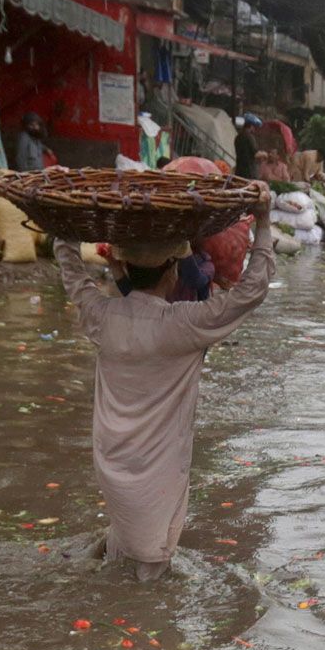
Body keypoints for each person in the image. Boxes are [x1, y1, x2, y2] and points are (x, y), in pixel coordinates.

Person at [54, 229, 267, 576]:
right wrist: (263, 218)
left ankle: (105, 559)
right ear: (172, 271)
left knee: (128, 538)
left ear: (123, 266)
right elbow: (252, 290)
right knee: (152, 563)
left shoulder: (103, 315)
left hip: (111, 457)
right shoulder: (183, 324)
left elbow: (72, 272)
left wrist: (65, 232)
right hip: (156, 464)